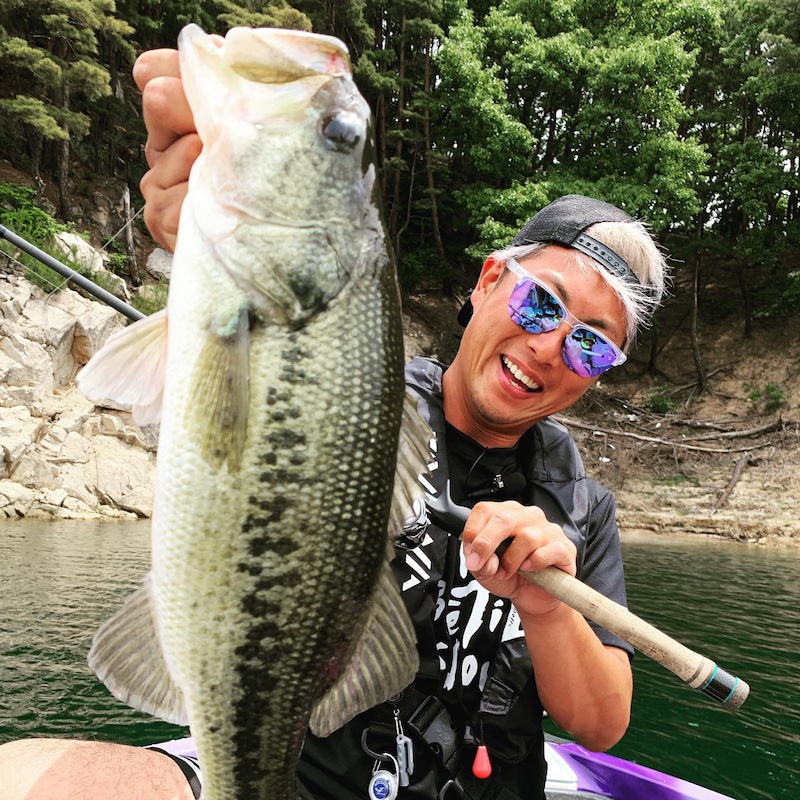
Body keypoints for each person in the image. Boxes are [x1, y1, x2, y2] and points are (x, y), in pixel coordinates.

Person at [0, 46, 668, 800]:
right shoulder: (360, 401)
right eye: (540, 303)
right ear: (489, 281)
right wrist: (207, 232)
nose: (549, 347)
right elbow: (254, 371)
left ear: (599, 372)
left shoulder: (580, 506)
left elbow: (601, 724)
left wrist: (545, 608)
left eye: (591, 345)